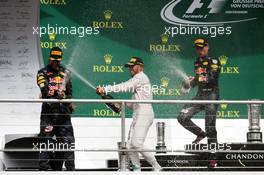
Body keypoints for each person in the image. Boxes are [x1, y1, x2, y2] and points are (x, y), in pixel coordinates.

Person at [96, 57, 162, 171]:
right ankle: (137, 169)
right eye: (129, 66)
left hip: (144, 113)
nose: (130, 68)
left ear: (140, 67)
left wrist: (106, 89)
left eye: (132, 66)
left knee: (136, 143)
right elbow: (132, 104)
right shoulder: (138, 82)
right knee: (130, 145)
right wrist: (118, 104)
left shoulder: (140, 77)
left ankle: (157, 167)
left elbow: (125, 86)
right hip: (139, 113)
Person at [37, 47, 75, 171]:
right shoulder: (42, 73)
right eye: (53, 60)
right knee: (46, 142)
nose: (55, 63)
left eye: (58, 61)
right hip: (49, 115)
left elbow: (69, 93)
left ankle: (71, 170)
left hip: (64, 115)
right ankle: (44, 170)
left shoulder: (65, 73)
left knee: (69, 142)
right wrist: (53, 93)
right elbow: (43, 89)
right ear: (50, 59)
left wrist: (64, 97)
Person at [177, 38, 221, 145]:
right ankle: (200, 134)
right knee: (182, 117)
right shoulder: (197, 62)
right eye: (197, 48)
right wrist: (188, 84)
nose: (199, 50)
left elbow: (212, 79)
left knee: (210, 127)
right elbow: (199, 79)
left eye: (201, 48)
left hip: (211, 96)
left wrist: (196, 79)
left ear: (207, 47)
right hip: (200, 96)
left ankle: (213, 156)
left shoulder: (214, 61)